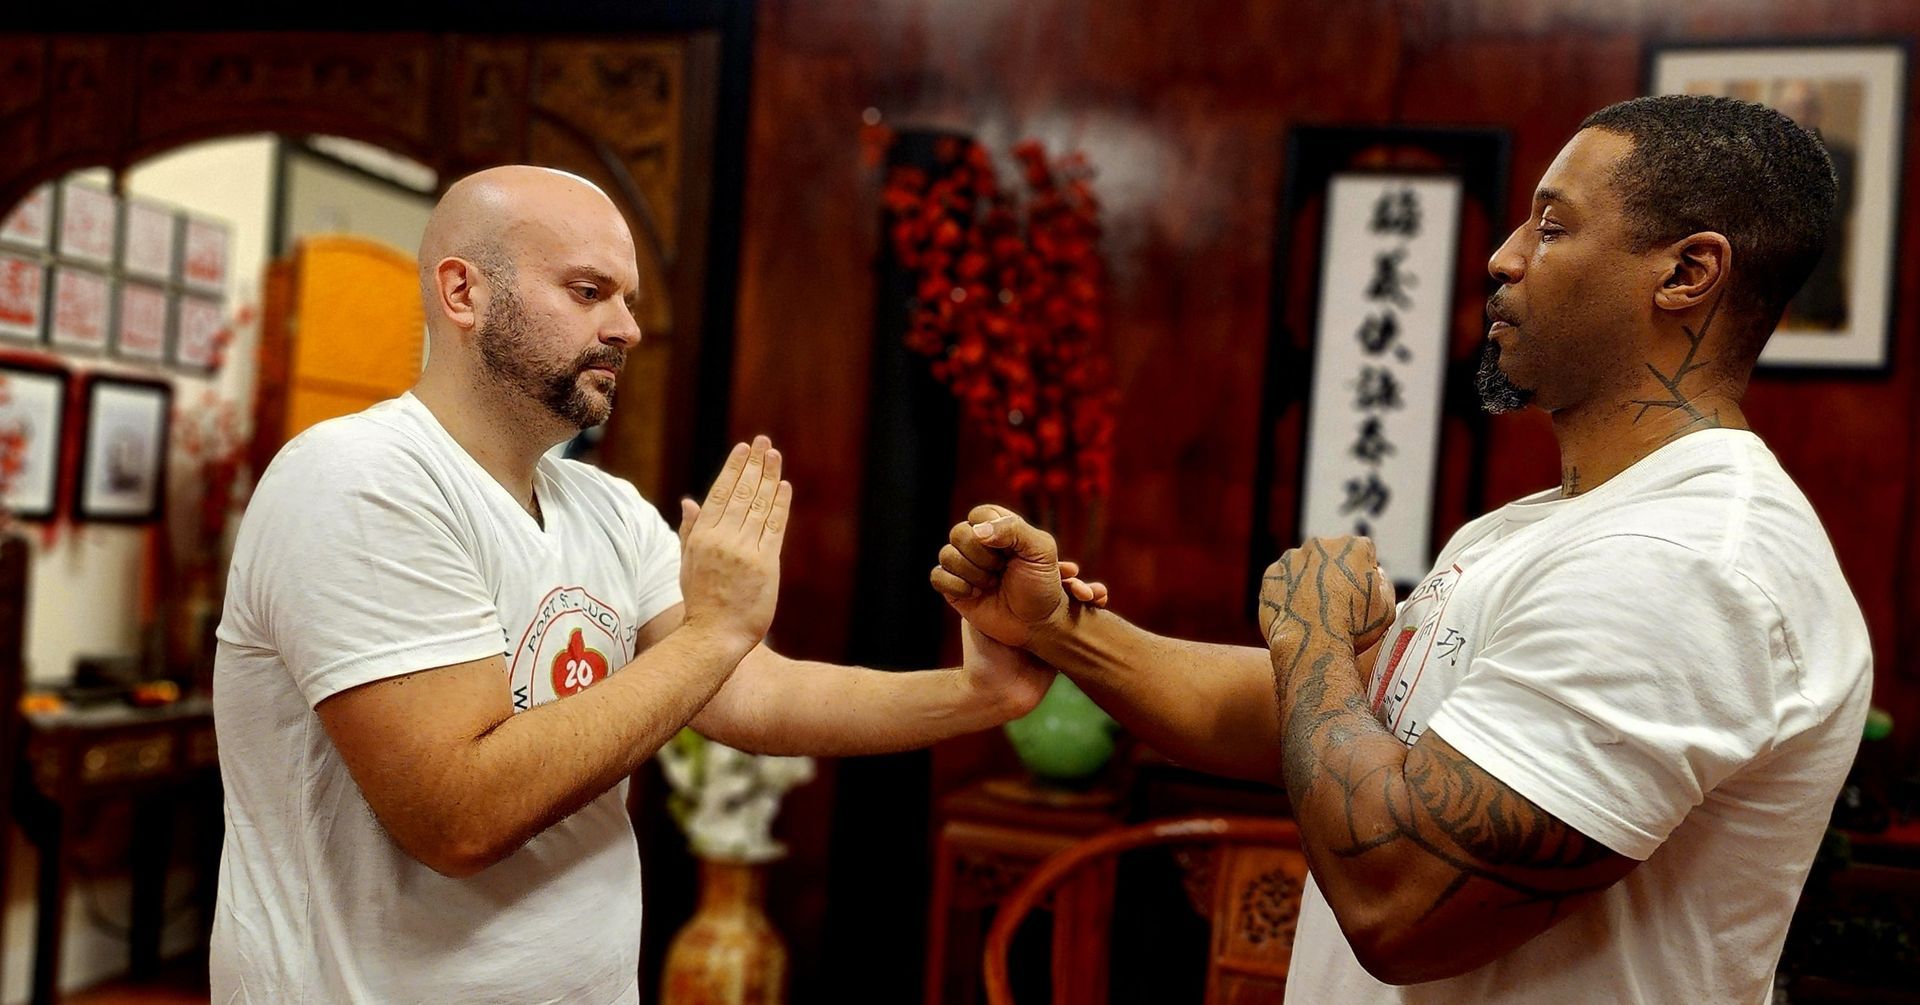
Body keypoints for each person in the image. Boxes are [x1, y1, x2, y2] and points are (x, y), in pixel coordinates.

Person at [933, 94, 1870, 1002]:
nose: (1502, 258)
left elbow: (1403, 899)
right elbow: (1326, 729)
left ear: (1687, 273)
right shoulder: (1540, 527)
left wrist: (1310, 638)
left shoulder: (1680, 560)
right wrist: (1059, 629)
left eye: (1551, 226)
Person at [209, 165, 1099, 1003]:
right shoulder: (357, 478)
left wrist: (983, 693)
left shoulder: (602, 505)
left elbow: (752, 695)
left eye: (627, 299)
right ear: (463, 292)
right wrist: (716, 630)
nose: (627, 328)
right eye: (589, 291)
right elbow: (458, 814)